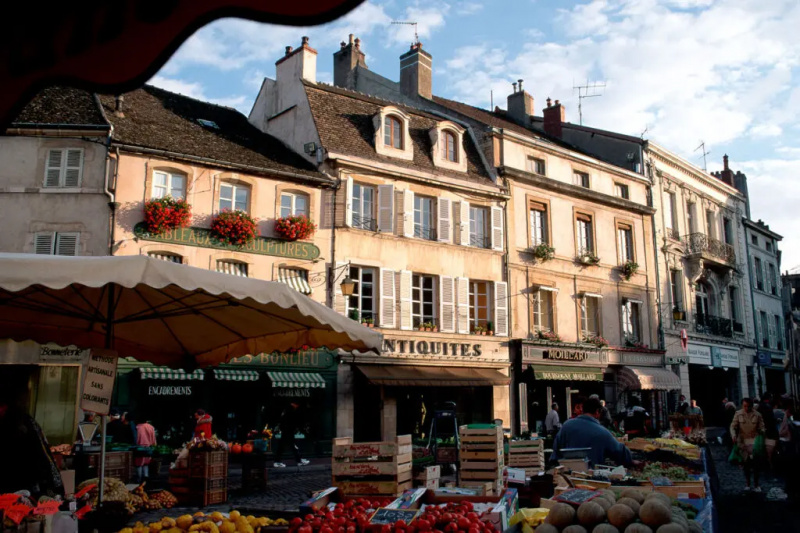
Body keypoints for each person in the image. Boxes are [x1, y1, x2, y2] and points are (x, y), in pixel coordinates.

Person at [0, 378, 64, 497]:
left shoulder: (25, 424)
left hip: (27, 491)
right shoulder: (25, 423)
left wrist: (53, 489)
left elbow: (43, 459)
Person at [551, 397, 632, 468]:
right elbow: (620, 453)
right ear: (597, 412)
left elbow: (555, 452)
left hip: (566, 477)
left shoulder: (566, 426)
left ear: (583, 410)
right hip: (591, 479)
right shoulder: (602, 432)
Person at [731, 397, 765, 492]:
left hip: (755, 442)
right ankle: (748, 483)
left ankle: (757, 484)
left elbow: (762, 427)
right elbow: (733, 426)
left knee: (756, 465)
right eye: (744, 406)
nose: (746, 408)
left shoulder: (757, 415)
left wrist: (761, 432)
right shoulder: (738, 414)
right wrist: (733, 435)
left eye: (748, 406)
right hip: (743, 443)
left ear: (751, 405)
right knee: (746, 464)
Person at [273, 402, 310, 468]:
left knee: (288, 446)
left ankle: (298, 460)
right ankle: (298, 460)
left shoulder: (287, 410)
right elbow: (290, 421)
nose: (297, 406)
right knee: (288, 446)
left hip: (287, 431)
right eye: (296, 404)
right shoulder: (290, 411)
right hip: (288, 431)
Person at [757, 392, 779, 468]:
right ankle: (770, 462)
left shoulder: (760, 406)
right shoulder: (767, 406)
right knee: (770, 446)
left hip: (763, 428)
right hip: (769, 429)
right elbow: (771, 420)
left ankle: (766, 461)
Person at [134, 415, 157, 482]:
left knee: (139, 464)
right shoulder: (151, 427)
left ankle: (139, 480)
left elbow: (136, 438)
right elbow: (153, 439)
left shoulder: (137, 427)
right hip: (149, 448)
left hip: (139, 448)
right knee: (146, 464)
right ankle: (146, 478)